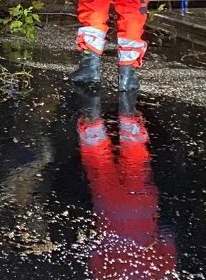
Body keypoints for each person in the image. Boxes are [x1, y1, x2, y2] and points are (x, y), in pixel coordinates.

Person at [76, 91, 178, 279]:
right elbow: (93, 252)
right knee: (99, 168)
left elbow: (168, 237)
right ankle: (92, 128)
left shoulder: (160, 274)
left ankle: (130, 124)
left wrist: (161, 229)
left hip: (142, 208)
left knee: (136, 166)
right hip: (109, 208)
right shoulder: (104, 276)